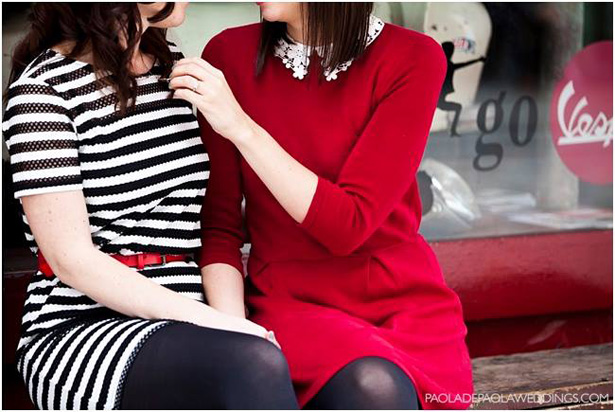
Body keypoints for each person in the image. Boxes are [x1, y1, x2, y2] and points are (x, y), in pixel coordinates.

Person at [170, 2, 474, 410]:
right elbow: (219, 227)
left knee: (381, 386)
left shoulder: (414, 57)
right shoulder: (229, 55)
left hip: (401, 305)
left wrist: (241, 127)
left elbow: (349, 224)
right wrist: (236, 333)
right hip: (289, 302)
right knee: (373, 386)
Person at [3, 3, 298, 410]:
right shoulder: (41, 91)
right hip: (82, 325)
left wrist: (228, 321)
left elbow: (214, 221)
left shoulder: (172, 69)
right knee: (251, 364)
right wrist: (221, 325)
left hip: (188, 314)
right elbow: (71, 259)